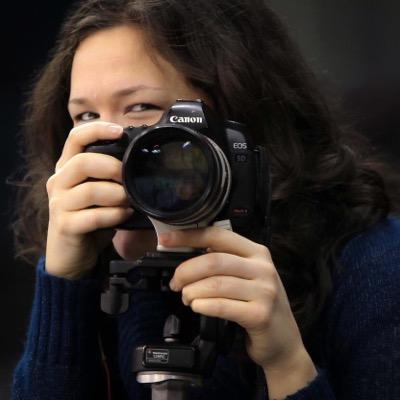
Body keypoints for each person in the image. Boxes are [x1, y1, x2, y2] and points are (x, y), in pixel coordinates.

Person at [11, 0, 400, 399]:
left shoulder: (376, 268)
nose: (109, 146)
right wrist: (62, 284)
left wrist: (286, 365)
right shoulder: (106, 270)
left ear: (240, 118)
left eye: (142, 109)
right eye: (87, 118)